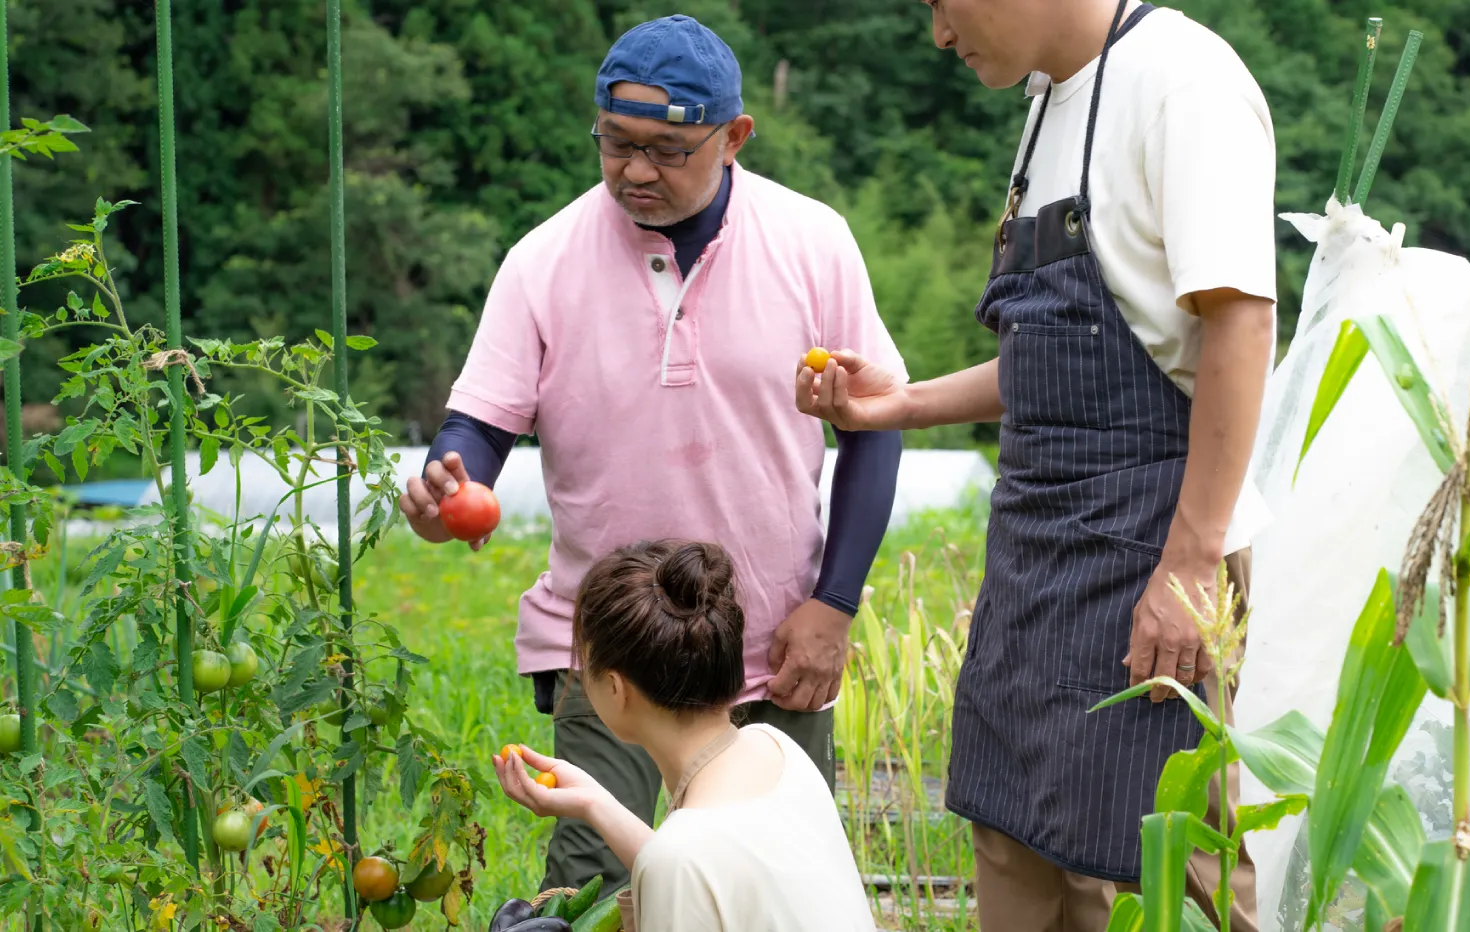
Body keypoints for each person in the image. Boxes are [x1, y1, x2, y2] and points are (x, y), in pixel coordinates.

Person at [397, 13, 908, 896]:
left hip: (774, 646)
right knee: (593, 890)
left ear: (734, 136)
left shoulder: (811, 241)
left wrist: (833, 605)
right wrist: (453, 482)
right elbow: (480, 423)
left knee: (776, 883)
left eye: (668, 149)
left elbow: (875, 425)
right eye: (616, 143)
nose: (636, 171)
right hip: (609, 653)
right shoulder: (542, 260)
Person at [795, 1, 1276, 929]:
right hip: (1034, 549)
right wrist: (901, 403)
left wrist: (1189, 562)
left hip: (1154, 544)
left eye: (940, 2)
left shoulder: (1183, 81)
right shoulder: (1050, 102)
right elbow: (1058, 353)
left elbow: (1240, 327)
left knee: (1146, 872)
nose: (937, 33)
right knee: (1012, 847)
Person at [494, 540, 876, 931]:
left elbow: (684, 864)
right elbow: (704, 871)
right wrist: (594, 803)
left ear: (615, 688)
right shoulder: (775, 748)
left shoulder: (680, 856)